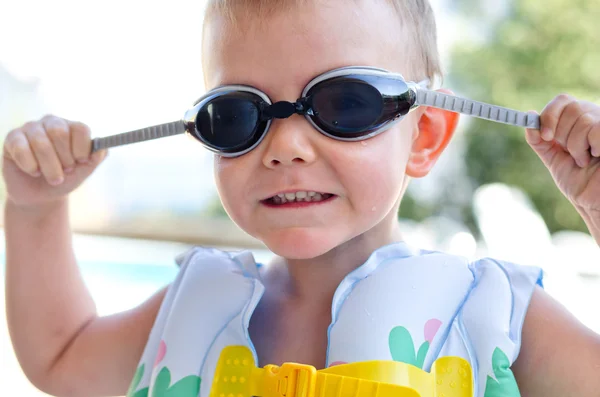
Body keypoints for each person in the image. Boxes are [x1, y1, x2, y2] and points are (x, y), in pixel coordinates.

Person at [3, 0, 600, 396]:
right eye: (236, 115)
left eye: (345, 104)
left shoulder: (494, 314)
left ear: (424, 135)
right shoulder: (190, 307)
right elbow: (61, 356)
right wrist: (34, 211)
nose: (285, 146)